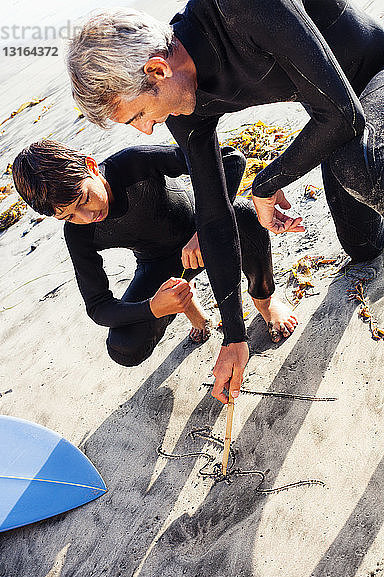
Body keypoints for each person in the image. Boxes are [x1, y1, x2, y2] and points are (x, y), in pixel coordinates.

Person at [66, 0, 384, 402]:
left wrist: (266, 184)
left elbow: (344, 119)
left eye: (138, 115)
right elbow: (214, 219)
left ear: (157, 70)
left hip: (371, 80)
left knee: (356, 167)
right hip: (332, 113)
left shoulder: (239, 8)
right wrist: (234, 335)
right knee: (364, 245)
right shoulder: (183, 110)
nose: (147, 131)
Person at [12, 140, 298, 368]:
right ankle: (184, 300)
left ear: (91, 166)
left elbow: (230, 158)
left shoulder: (133, 164)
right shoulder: (78, 234)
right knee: (124, 347)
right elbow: (98, 307)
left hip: (202, 230)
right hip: (161, 267)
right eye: (69, 216)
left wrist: (204, 228)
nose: (87, 216)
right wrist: (153, 307)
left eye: (84, 198)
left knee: (243, 215)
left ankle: (265, 300)